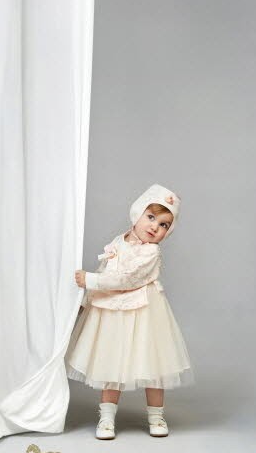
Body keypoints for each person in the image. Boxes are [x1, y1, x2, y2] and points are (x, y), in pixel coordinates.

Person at [64, 183, 195, 440]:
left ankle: (156, 416)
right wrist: (86, 300)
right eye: (151, 217)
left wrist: (90, 281)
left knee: (153, 365)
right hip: (113, 311)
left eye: (164, 224)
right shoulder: (118, 241)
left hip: (145, 312)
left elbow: (127, 279)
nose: (155, 227)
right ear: (138, 212)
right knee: (111, 363)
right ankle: (106, 417)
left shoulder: (150, 252)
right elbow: (106, 270)